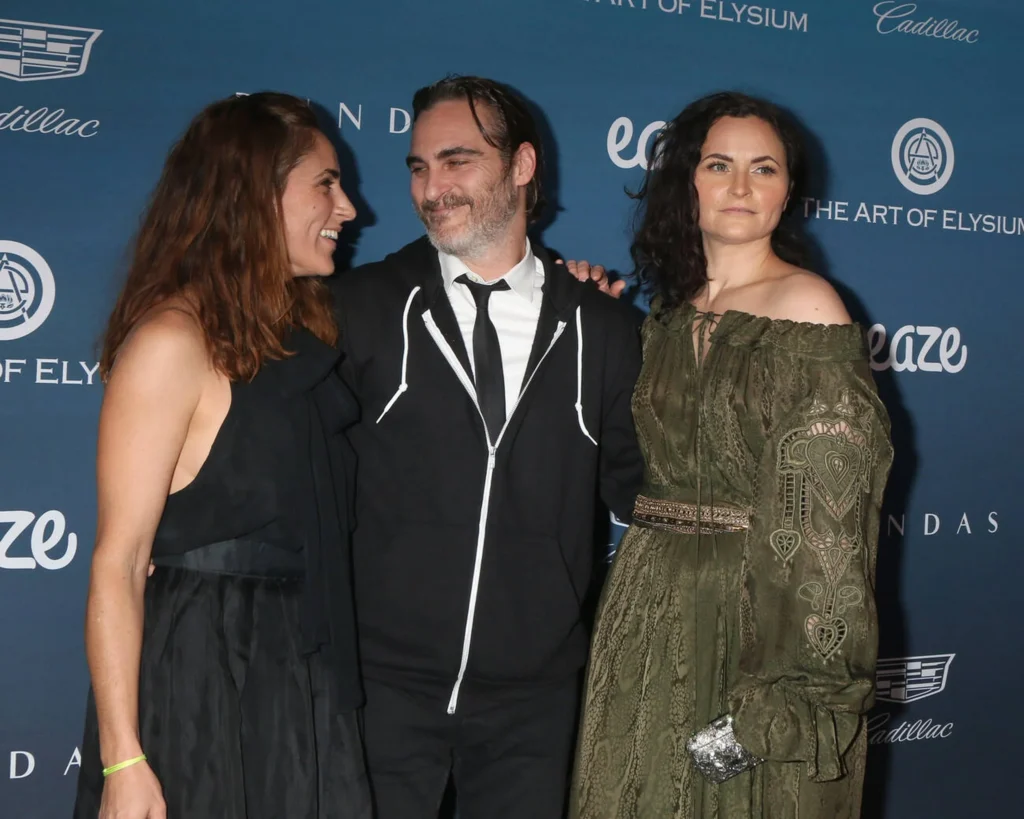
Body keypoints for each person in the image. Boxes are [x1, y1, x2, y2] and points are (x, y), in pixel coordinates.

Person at [570, 91, 894, 819]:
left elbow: (832, 536)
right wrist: (588, 309)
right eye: (720, 165)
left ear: (788, 190)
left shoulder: (810, 309)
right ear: (687, 180)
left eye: (765, 168)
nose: (742, 187)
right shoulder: (665, 315)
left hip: (754, 623)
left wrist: (788, 701)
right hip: (647, 609)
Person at [329, 75, 645, 819]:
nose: (431, 187)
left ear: (523, 166)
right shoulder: (359, 307)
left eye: (457, 160)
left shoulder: (605, 331)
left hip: (533, 705)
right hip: (378, 690)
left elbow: (643, 494)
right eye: (418, 166)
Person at [73, 92, 371, 819]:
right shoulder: (171, 343)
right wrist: (124, 758)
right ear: (255, 194)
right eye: (325, 185)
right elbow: (119, 561)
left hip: (296, 670)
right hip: (200, 675)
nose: (350, 209)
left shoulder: (295, 337)